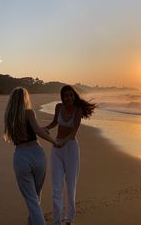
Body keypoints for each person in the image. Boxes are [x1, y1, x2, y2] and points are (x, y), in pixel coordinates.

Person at [4, 87, 61, 225]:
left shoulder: (9, 117)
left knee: (31, 198)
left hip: (21, 157)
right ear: (25, 98)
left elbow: (32, 130)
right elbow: (36, 131)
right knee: (36, 196)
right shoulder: (29, 113)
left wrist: (43, 130)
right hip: (37, 154)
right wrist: (54, 141)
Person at [44, 85, 96, 225]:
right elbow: (55, 122)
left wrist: (63, 142)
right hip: (57, 149)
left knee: (70, 185)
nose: (69, 98)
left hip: (71, 149)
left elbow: (74, 132)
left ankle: (69, 219)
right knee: (56, 187)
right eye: (66, 95)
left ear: (74, 96)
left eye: (71, 95)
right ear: (62, 97)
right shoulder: (58, 107)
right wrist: (46, 128)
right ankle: (57, 222)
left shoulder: (78, 110)